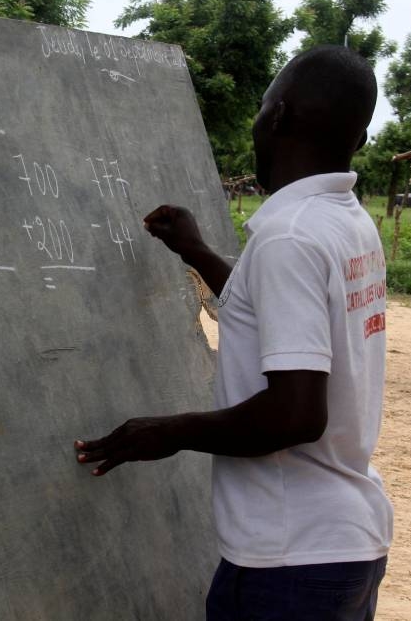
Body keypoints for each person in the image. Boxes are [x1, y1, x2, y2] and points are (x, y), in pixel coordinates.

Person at [75, 45, 393, 620]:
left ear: (278, 117)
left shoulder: (288, 237)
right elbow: (271, 310)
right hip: (345, 543)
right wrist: (197, 253)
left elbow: (296, 414)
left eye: (264, 104)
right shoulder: (345, 221)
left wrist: (169, 432)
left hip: (290, 560)